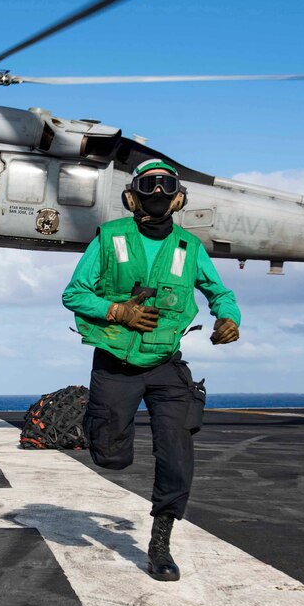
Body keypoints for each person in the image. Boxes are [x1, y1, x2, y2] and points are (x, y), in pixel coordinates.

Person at [61, 158, 240, 582]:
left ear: (179, 197)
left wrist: (229, 316)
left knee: (177, 456)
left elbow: (220, 290)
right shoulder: (109, 238)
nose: (157, 193)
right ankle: (100, 426)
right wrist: (117, 311)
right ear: (131, 196)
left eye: (166, 186)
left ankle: (160, 543)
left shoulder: (188, 248)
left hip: (165, 365)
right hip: (116, 363)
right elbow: (73, 293)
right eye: (148, 186)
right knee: (111, 456)